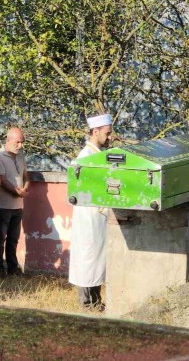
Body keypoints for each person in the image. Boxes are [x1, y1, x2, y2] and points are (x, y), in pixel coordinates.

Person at [68, 113, 113, 310]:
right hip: (88, 216)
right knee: (87, 260)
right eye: (107, 133)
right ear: (95, 131)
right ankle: (86, 303)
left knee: (97, 260)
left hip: (99, 216)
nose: (109, 137)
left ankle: (96, 301)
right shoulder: (85, 157)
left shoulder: (99, 155)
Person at [0, 127, 30, 276]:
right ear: (8, 140)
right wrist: (17, 191)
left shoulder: (20, 156)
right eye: (17, 142)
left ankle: (12, 267)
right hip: (2, 205)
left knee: (14, 239)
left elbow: (25, 175)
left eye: (22, 142)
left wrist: (25, 188)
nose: (20, 146)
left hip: (18, 205)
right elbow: (1, 179)